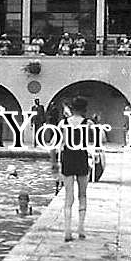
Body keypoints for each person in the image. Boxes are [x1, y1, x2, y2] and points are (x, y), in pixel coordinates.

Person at [52, 96, 94, 241]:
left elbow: (54, 145)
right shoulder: (88, 123)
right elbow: (95, 144)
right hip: (81, 158)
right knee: (82, 194)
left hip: (67, 159)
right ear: (84, 109)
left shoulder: (62, 124)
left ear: (73, 107)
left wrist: (54, 163)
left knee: (68, 196)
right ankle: (81, 228)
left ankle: (67, 231)